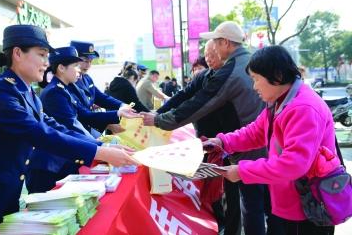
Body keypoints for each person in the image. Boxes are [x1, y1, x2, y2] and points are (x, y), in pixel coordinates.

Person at [0, 25, 138, 233]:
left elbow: (56, 127)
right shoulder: (0, 91)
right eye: (41, 55)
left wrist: (102, 146)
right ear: (17, 53)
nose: (46, 63)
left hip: (1, 201)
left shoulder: (27, 93)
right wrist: (101, 152)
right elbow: (39, 134)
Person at [142, 22, 271, 235]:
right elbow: (185, 96)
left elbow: (198, 104)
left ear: (226, 43)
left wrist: (159, 120)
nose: (211, 56)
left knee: (252, 204)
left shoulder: (232, 70)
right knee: (260, 202)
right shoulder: (248, 61)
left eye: (215, 47)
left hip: (249, 143)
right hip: (253, 138)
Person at [202, 45, 336, 235]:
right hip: (292, 202)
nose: (254, 86)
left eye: (256, 79)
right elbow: (255, 132)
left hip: (310, 209)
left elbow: (293, 164)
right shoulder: (280, 102)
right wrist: (222, 142)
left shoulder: (303, 108)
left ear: (277, 76)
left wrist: (241, 171)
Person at [27, 46, 140, 193]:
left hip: (65, 159)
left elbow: (80, 117)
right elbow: (70, 127)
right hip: (50, 166)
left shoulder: (63, 89)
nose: (79, 69)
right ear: (61, 68)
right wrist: (102, 148)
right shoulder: (54, 92)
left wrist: (103, 145)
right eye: (75, 66)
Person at [70, 40, 130, 136]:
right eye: (85, 60)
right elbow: (82, 115)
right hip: (76, 134)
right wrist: (116, 115)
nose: (88, 65)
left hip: (87, 130)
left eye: (91, 61)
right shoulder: (68, 83)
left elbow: (101, 97)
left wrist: (122, 105)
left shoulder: (86, 78)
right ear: (73, 60)